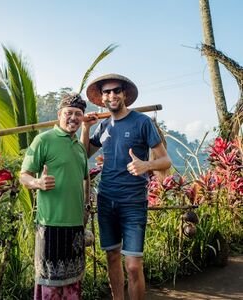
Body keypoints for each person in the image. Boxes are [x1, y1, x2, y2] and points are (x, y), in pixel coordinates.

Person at [80, 74, 171, 300]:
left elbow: (165, 161)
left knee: (132, 265)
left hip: (132, 201)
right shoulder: (103, 126)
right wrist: (85, 129)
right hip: (106, 200)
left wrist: (146, 165)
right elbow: (83, 156)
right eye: (107, 92)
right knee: (112, 257)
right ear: (102, 98)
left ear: (124, 94)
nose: (112, 95)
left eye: (116, 90)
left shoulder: (142, 122)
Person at [20, 93, 90, 300]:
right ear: (59, 114)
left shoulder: (79, 147)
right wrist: (37, 183)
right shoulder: (43, 140)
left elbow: (85, 179)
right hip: (50, 225)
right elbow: (24, 175)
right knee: (49, 284)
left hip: (76, 225)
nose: (74, 117)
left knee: (73, 285)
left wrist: (86, 206)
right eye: (69, 113)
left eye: (79, 114)